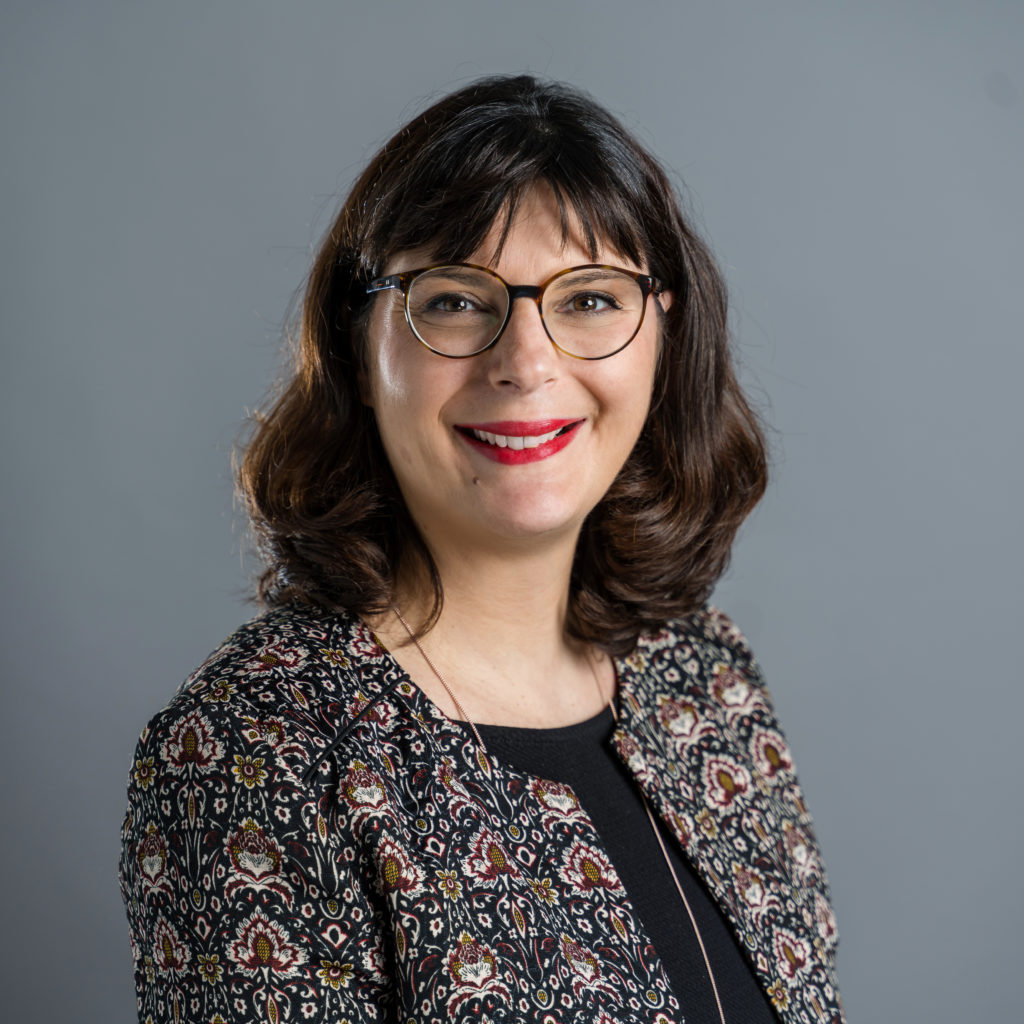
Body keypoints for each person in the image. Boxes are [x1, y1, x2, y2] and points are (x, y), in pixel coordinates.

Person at [119, 75, 844, 1024]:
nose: (527, 362)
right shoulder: (258, 750)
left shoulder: (705, 679)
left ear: (663, 334)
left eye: (591, 299)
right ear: (358, 345)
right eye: (457, 300)